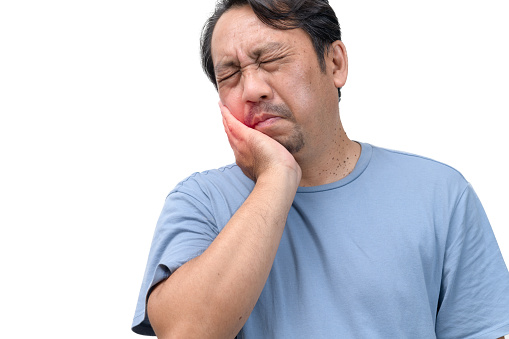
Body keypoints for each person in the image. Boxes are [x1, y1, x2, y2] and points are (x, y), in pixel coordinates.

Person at [132, 0, 509, 337]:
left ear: (335, 63)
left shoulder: (440, 193)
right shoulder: (199, 202)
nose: (251, 89)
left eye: (270, 60)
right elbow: (185, 333)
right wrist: (277, 177)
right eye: (229, 75)